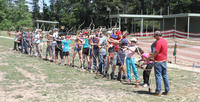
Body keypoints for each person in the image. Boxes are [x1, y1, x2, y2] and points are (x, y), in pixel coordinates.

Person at [148, 31, 170, 96]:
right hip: (164, 61)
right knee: (165, 76)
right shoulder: (164, 41)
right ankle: (167, 91)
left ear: (158, 35)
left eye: (155, 36)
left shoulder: (158, 42)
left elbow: (156, 52)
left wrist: (150, 57)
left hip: (158, 61)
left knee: (158, 76)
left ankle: (158, 91)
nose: (154, 37)